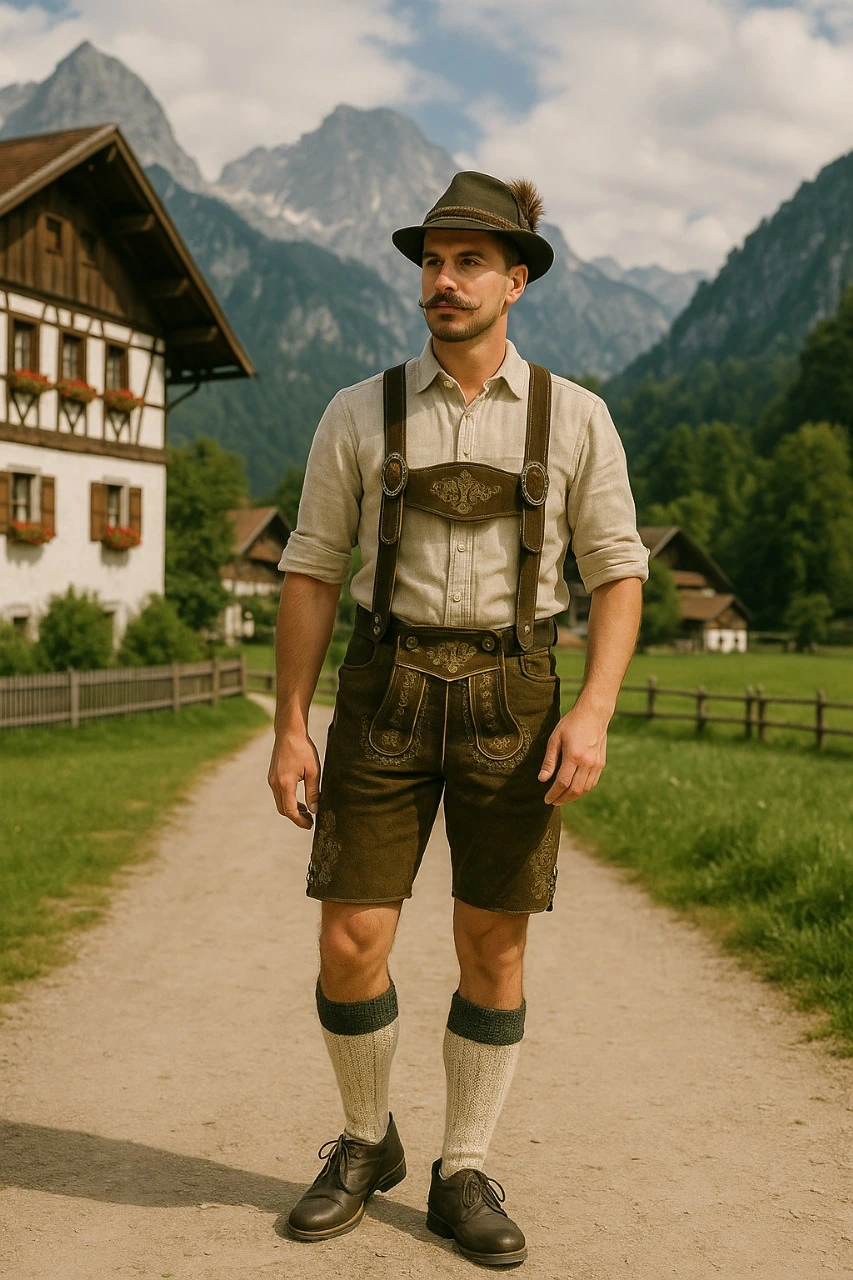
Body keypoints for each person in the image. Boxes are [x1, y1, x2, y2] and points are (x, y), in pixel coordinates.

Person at [268, 171, 649, 1267]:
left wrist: (594, 709)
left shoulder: (575, 417)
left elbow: (616, 574)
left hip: (514, 697)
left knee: (492, 940)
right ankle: (362, 1138)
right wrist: (291, 721)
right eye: (431, 261)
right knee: (351, 940)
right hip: (381, 687)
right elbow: (308, 570)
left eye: (470, 261)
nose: (443, 280)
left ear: (516, 280)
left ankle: (462, 1162)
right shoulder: (358, 409)